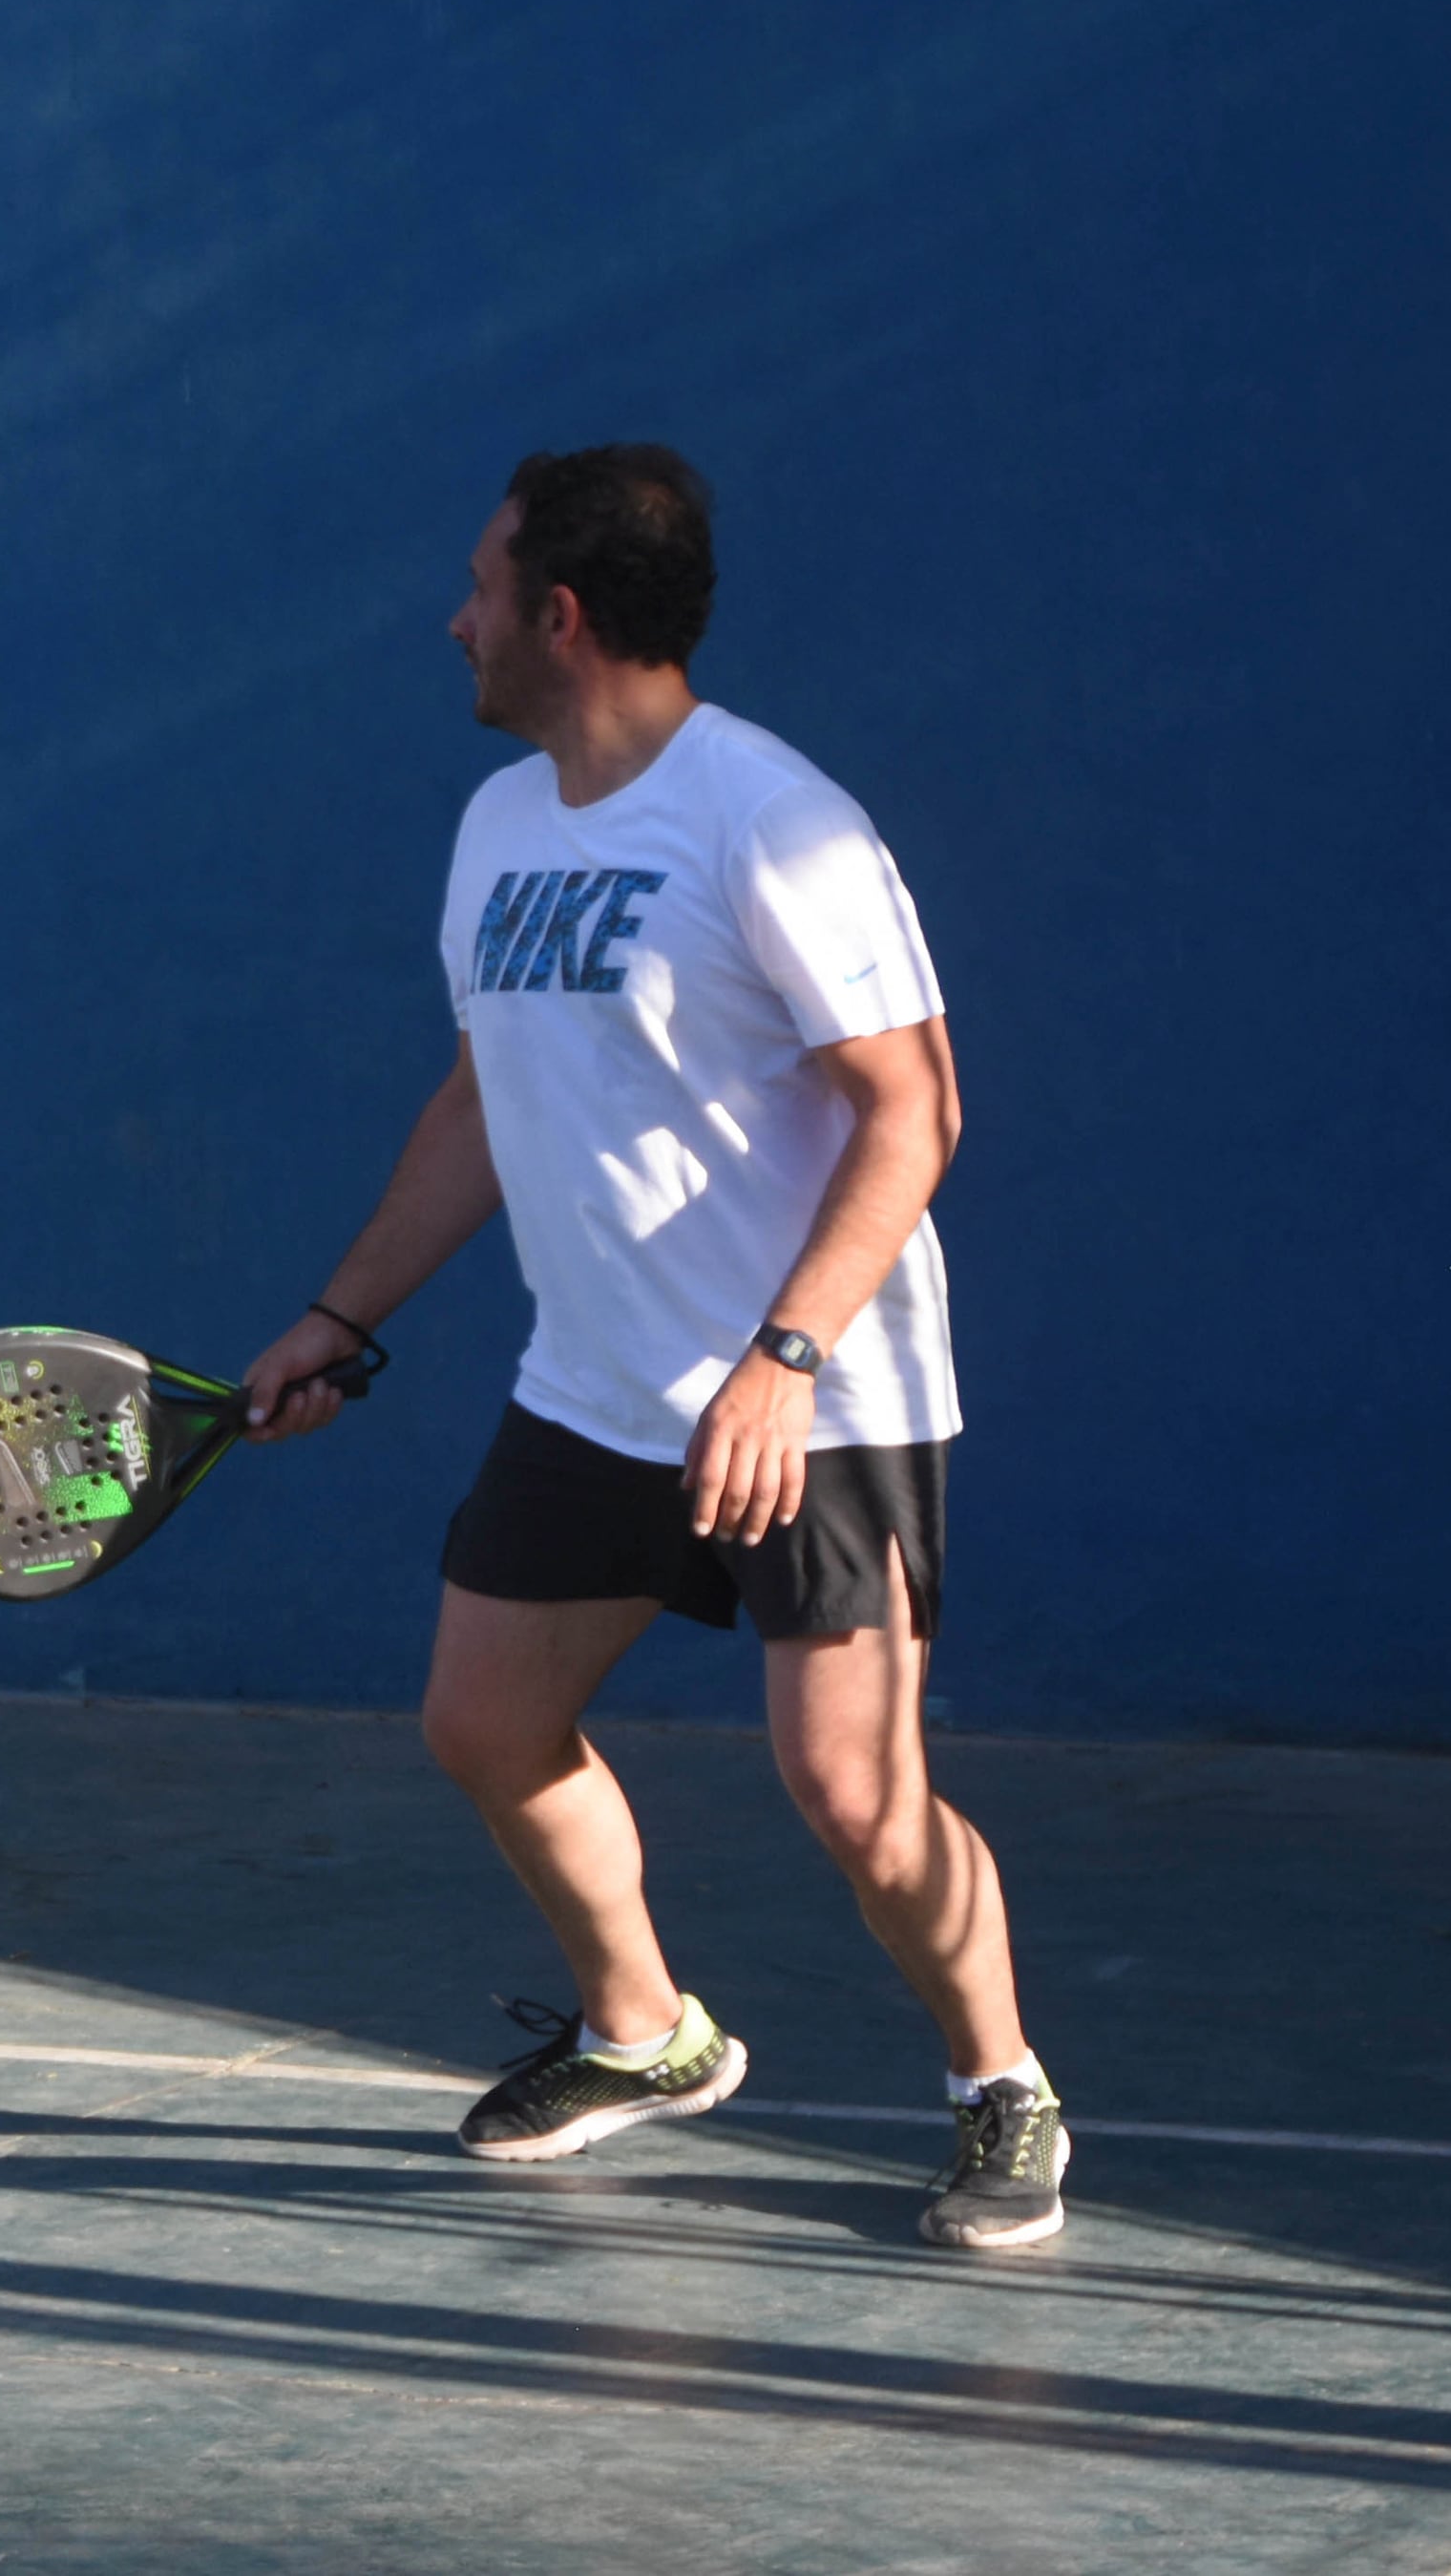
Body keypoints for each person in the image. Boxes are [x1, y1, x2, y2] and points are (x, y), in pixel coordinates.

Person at [237, 446, 1062, 2250]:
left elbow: (912, 1111)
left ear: (563, 612)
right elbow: (480, 1101)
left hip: (816, 1395)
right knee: (486, 1719)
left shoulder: (773, 821)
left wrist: (783, 1352)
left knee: (856, 1793)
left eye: (479, 582)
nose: (450, 616)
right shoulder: (502, 828)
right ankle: (644, 2029)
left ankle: (998, 2077)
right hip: (598, 1386)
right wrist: (341, 1311)